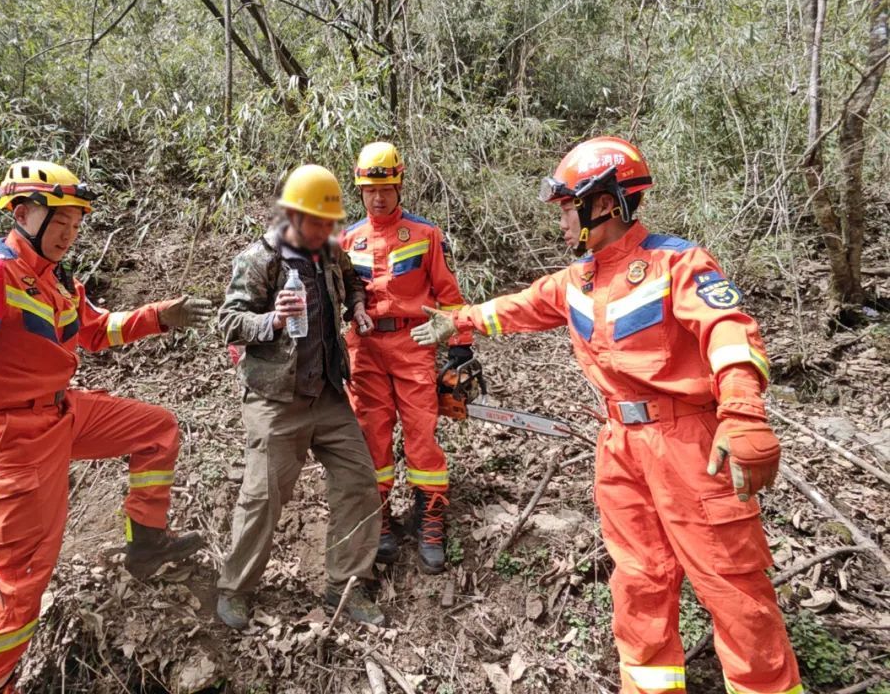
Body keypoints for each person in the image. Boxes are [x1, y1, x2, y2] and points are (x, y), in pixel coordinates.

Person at [411, 137, 803, 694]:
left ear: (605, 203)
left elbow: (729, 331)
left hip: (689, 444)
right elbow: (518, 307)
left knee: (732, 588)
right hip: (619, 446)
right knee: (639, 580)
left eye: (569, 207)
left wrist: (742, 411)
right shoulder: (579, 279)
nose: (564, 222)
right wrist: (460, 321)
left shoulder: (677, 263)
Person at [0, 160, 214, 694]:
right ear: (24, 213)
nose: (69, 234)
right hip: (11, 437)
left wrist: (158, 317)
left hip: (62, 410)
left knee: (157, 430)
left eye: (76, 225)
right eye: (61, 222)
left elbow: (96, 330)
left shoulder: (54, 281)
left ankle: (146, 543)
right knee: (21, 579)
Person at [216, 164, 384, 630]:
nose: (328, 231)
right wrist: (270, 320)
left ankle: (344, 586)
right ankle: (236, 588)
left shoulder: (329, 252)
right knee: (263, 497)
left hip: (328, 393)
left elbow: (352, 281)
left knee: (358, 482)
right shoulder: (260, 260)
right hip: (276, 399)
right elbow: (228, 322)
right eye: (318, 222)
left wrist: (357, 307)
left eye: (331, 223)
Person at [338, 142, 473, 573]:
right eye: (369, 190)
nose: (378, 198)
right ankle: (378, 518)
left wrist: (460, 347)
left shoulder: (425, 235)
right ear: (359, 190)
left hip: (414, 344)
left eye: (387, 188)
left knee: (421, 433)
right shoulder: (348, 239)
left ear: (400, 184)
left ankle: (430, 514)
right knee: (370, 434)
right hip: (364, 349)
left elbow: (449, 297)